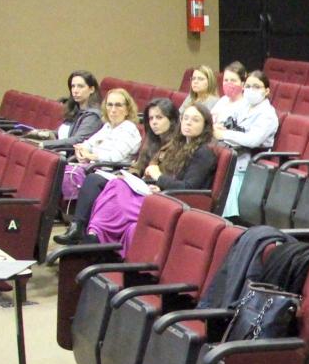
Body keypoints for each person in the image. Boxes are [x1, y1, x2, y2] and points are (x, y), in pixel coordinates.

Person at [84, 104, 218, 255]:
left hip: (175, 204)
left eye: (195, 120)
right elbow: (173, 179)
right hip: (163, 194)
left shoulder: (204, 153)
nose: (188, 123)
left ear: (205, 126)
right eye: (185, 118)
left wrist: (158, 177)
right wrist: (159, 186)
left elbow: (189, 188)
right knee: (117, 184)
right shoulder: (179, 145)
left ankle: (94, 238)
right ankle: (94, 235)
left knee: (116, 192)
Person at [55, 96, 178, 245]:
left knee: (103, 183)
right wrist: (130, 175)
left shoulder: (176, 145)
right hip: (138, 184)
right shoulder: (151, 140)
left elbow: (171, 176)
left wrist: (154, 182)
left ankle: (92, 235)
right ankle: (79, 227)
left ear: (171, 119)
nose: (154, 122)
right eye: (151, 118)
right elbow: (138, 166)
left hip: (155, 190)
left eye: (159, 118)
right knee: (94, 179)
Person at [59, 87, 142, 206]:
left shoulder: (129, 129)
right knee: (58, 169)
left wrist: (91, 156)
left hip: (112, 172)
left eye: (118, 105)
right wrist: (81, 152)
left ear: (127, 109)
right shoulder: (108, 126)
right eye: (110, 105)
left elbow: (115, 157)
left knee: (71, 174)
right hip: (94, 167)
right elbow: (87, 144)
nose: (113, 110)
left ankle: (73, 211)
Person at [214, 68, 279, 218]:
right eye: (248, 86)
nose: (251, 90)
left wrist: (224, 134)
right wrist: (221, 127)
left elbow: (253, 139)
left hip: (249, 163)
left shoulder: (268, 114)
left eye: (256, 87)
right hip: (232, 154)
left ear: (267, 91)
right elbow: (227, 122)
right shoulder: (244, 106)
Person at [35, 70, 102, 148]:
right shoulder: (75, 110)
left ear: (91, 89)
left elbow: (78, 140)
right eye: (73, 86)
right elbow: (62, 134)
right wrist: (44, 134)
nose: (75, 91)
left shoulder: (93, 116)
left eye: (80, 86)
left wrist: (45, 144)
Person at [207, 61, 248, 131]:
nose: (229, 84)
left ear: (243, 84)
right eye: (226, 80)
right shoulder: (223, 100)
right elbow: (210, 120)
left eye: (233, 80)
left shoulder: (246, 104)